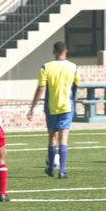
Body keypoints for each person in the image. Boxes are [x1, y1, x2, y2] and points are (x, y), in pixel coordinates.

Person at [27, 41, 79, 179]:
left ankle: (50, 168)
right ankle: (62, 171)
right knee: (64, 138)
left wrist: (32, 107)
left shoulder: (46, 67)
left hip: (51, 107)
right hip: (67, 106)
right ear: (66, 51)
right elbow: (76, 87)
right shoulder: (74, 67)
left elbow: (41, 88)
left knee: (52, 138)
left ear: (54, 52)